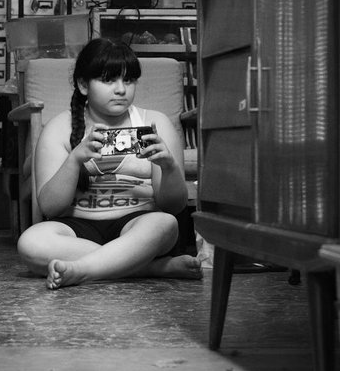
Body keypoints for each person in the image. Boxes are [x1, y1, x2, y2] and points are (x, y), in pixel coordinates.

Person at [16, 38, 202, 289]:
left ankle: (81, 270)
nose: (121, 90)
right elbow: (50, 207)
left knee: (165, 224)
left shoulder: (155, 123)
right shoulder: (60, 128)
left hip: (137, 224)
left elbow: (173, 205)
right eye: (108, 80)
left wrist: (168, 167)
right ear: (83, 85)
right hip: (77, 227)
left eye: (128, 80)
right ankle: (147, 267)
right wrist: (75, 159)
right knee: (30, 242)